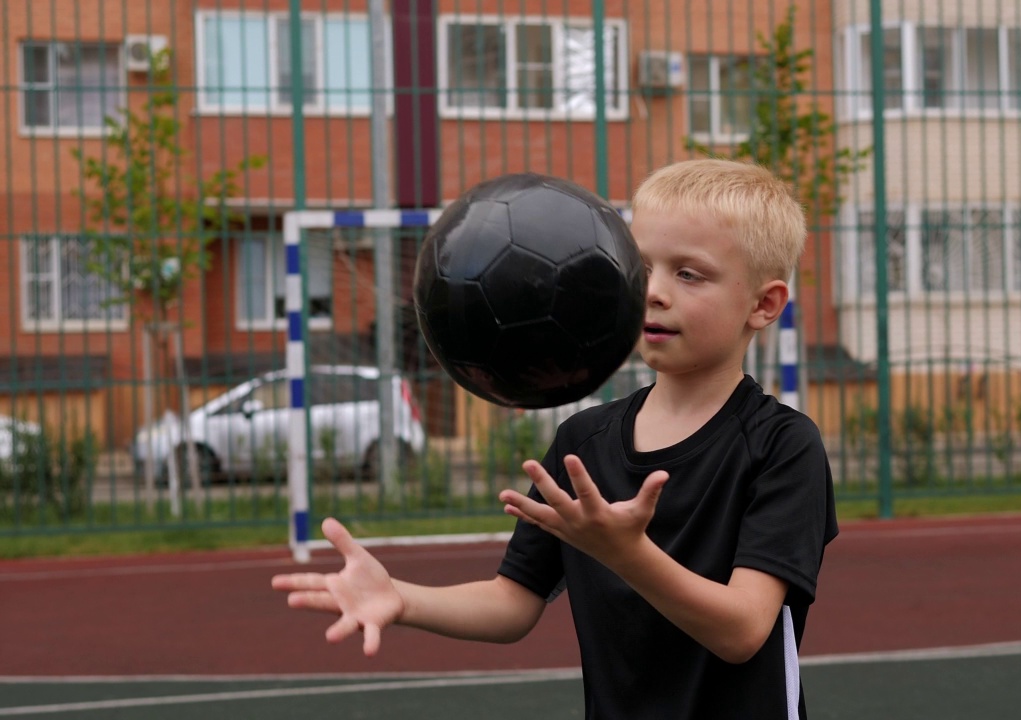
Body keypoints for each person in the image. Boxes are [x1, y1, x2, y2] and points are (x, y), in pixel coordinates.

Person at [272, 158, 840, 719]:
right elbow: (512, 603)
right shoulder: (584, 439)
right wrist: (401, 598)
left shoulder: (782, 446)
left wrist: (627, 554)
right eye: (641, 269)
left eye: (689, 273)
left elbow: (741, 631)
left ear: (764, 305)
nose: (655, 292)